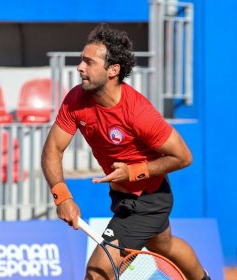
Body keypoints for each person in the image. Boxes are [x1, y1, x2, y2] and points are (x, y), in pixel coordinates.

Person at [41, 23, 209, 280]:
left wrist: (134, 171)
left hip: (147, 200)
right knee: (164, 246)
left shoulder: (138, 112)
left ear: (113, 70)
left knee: (97, 272)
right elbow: (53, 148)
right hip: (124, 196)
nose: (80, 67)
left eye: (89, 62)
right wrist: (62, 196)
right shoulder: (75, 100)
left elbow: (183, 156)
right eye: (80, 60)